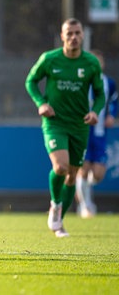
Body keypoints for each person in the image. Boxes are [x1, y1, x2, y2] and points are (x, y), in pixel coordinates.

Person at [25, 18, 105, 238]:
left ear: (83, 36)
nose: (73, 37)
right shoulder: (50, 59)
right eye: (69, 33)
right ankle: (55, 204)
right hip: (55, 122)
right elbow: (31, 81)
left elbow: (100, 93)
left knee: (72, 175)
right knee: (60, 167)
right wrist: (41, 103)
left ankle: (59, 218)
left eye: (77, 33)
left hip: (80, 124)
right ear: (62, 36)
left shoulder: (90, 63)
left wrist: (95, 111)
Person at [75, 49, 118, 218]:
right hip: (83, 132)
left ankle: (86, 190)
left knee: (98, 174)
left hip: (99, 133)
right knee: (83, 169)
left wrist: (111, 115)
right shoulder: (80, 81)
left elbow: (114, 102)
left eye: (98, 61)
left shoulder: (109, 83)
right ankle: (85, 206)